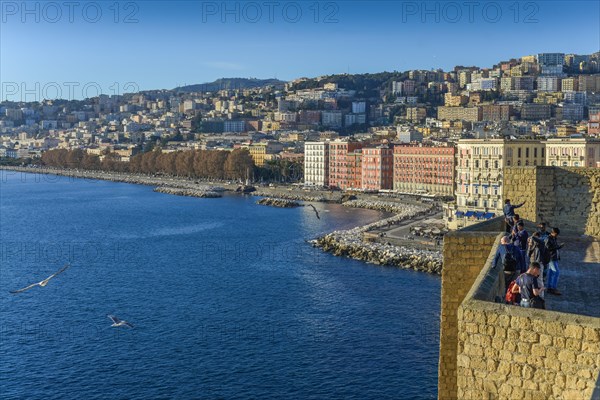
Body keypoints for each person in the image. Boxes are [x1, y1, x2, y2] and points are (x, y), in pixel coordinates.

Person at [545, 227, 564, 295]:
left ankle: (549, 287)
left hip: (554, 257)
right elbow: (547, 248)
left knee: (551, 273)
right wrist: (558, 247)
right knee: (556, 272)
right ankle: (553, 288)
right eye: (556, 234)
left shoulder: (553, 238)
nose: (557, 235)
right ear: (553, 233)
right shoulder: (548, 239)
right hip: (551, 258)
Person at [527, 232, 547, 299]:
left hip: (539, 265)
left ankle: (541, 296)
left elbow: (539, 241)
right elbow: (528, 254)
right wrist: (530, 246)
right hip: (532, 264)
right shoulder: (533, 244)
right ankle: (533, 293)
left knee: (539, 280)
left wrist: (532, 237)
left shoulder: (542, 243)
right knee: (531, 279)